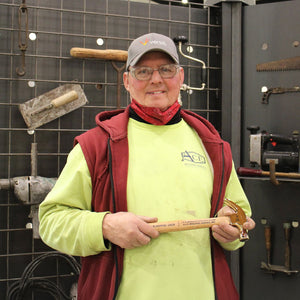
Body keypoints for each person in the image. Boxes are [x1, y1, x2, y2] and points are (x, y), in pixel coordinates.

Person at [39, 32, 255, 300]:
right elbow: (51, 221)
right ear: (127, 81)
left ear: (181, 77)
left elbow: (240, 217)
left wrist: (233, 233)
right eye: (143, 71)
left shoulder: (212, 145)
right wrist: (104, 227)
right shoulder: (96, 146)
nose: (156, 80)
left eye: (166, 69)